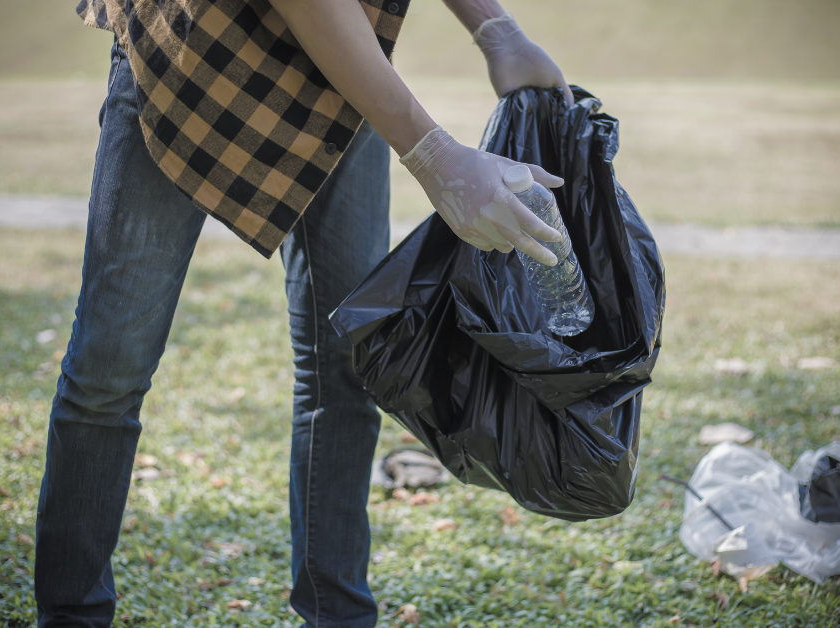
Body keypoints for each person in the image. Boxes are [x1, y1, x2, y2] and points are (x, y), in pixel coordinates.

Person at [36, 0, 573, 625]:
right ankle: (71, 615)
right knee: (110, 367)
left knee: (344, 364)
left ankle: (338, 616)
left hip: (343, 77)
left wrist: (495, 28)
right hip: (199, 55)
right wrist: (434, 156)